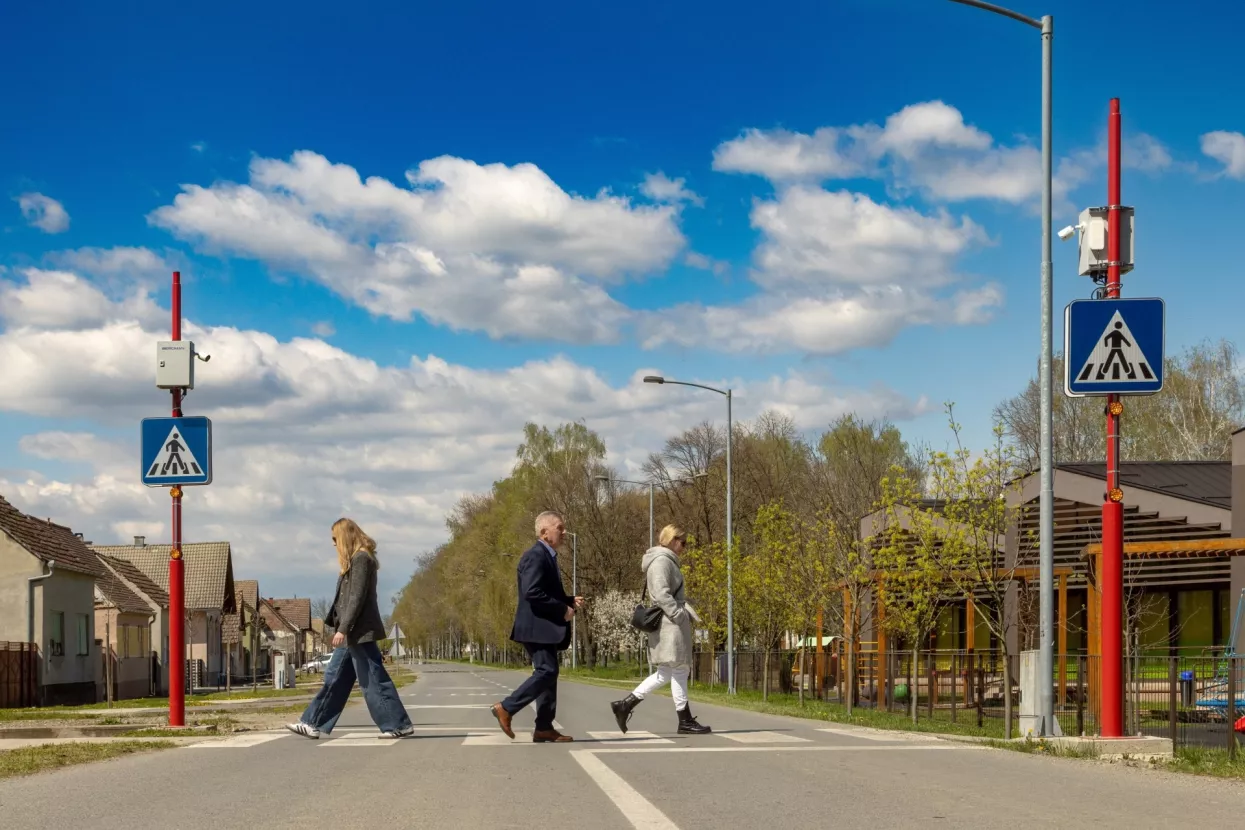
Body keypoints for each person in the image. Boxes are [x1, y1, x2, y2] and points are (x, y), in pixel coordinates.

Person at [286, 518, 414, 740]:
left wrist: (342, 629)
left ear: (345, 537)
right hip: (353, 633)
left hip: (359, 631)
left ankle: (397, 724)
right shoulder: (355, 561)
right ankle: (312, 722)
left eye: (335, 538)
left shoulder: (362, 559)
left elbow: (356, 598)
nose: (333, 544)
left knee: (373, 678)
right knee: (334, 677)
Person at [490, 510, 583, 743]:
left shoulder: (547, 555)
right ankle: (506, 708)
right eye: (559, 528)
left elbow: (545, 591)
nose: (564, 533)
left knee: (549, 673)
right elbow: (532, 592)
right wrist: (562, 610)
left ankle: (544, 727)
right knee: (547, 671)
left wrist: (568, 600)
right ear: (544, 532)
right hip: (536, 627)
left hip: (543, 627)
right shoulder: (536, 555)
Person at [609, 524, 711, 735]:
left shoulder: (665, 560)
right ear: (673, 540)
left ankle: (625, 705)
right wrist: (678, 614)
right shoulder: (662, 561)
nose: (685, 547)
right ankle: (685, 720)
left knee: (666, 672)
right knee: (680, 669)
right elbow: (661, 593)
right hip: (669, 624)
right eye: (683, 542)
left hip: (669, 623)